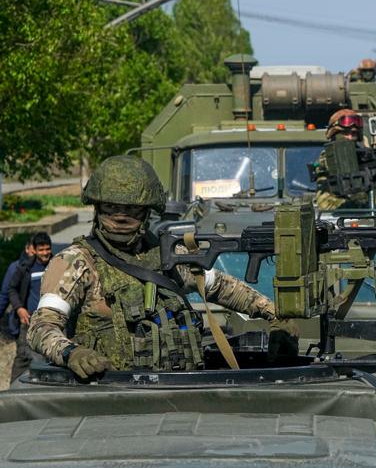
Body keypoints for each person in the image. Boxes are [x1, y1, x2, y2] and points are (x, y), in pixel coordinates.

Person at [27, 155, 297, 380]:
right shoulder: (76, 263)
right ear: (97, 209)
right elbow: (41, 327)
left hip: (181, 390)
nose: (121, 217)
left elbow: (222, 287)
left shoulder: (166, 255)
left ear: (147, 212)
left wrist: (277, 317)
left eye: (131, 210)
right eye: (111, 208)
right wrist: (71, 353)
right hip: (110, 395)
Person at [5, 233, 52, 381]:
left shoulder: (57, 264)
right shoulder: (25, 267)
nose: (45, 253)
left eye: (47, 249)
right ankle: (13, 390)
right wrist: (19, 308)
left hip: (51, 320)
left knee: (48, 356)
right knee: (23, 356)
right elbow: (11, 289)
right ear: (34, 250)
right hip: (28, 320)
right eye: (41, 250)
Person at [0, 239, 34, 335]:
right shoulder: (15, 268)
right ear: (27, 249)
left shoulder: (49, 266)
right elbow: (4, 295)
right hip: (22, 322)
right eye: (33, 251)